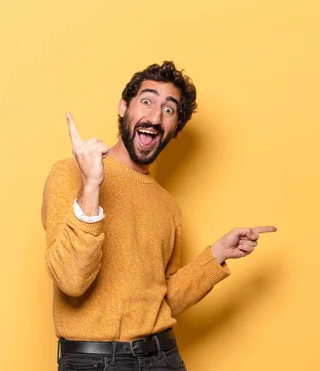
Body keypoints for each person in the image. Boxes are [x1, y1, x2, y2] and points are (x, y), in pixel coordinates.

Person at [41, 61, 276, 370]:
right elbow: (71, 281)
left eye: (169, 110)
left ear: (174, 127)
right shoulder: (71, 175)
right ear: (124, 107)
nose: (155, 116)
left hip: (162, 357)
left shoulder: (167, 207)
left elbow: (162, 303)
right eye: (147, 101)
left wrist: (218, 254)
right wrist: (93, 184)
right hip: (93, 361)